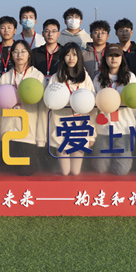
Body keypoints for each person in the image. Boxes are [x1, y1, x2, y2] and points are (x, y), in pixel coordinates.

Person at [0, 40, 47, 176]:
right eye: (15, 52)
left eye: (23, 51)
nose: (19, 55)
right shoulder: (5, 77)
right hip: (8, 133)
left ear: (29, 54)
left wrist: (41, 138)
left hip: (29, 134)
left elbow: (42, 109)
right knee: (7, 175)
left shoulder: (37, 76)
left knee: (27, 175)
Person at [47, 42, 96, 176]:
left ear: (79, 57)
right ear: (63, 57)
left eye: (74, 55)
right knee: (65, 172)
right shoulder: (56, 78)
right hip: (62, 127)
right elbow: (49, 103)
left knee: (75, 171)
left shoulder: (85, 77)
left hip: (81, 127)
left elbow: (92, 106)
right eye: (67, 55)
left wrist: (92, 134)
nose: (71, 58)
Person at [92, 44, 136, 175]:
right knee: (100, 168)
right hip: (103, 129)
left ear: (122, 58)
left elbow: (135, 100)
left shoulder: (130, 77)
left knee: (122, 170)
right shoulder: (98, 78)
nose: (113, 59)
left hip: (124, 129)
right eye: (110, 55)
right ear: (105, 58)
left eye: (117, 55)